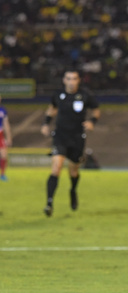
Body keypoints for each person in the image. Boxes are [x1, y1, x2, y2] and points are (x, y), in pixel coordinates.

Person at [41, 69, 100, 216]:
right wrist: (46, 123)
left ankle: (73, 190)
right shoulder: (58, 95)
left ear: (78, 80)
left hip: (77, 138)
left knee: (73, 171)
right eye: (68, 78)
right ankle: (49, 203)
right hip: (60, 136)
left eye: (74, 79)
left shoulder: (86, 95)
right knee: (56, 167)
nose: (71, 81)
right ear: (64, 80)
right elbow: (52, 109)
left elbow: (96, 110)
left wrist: (92, 121)